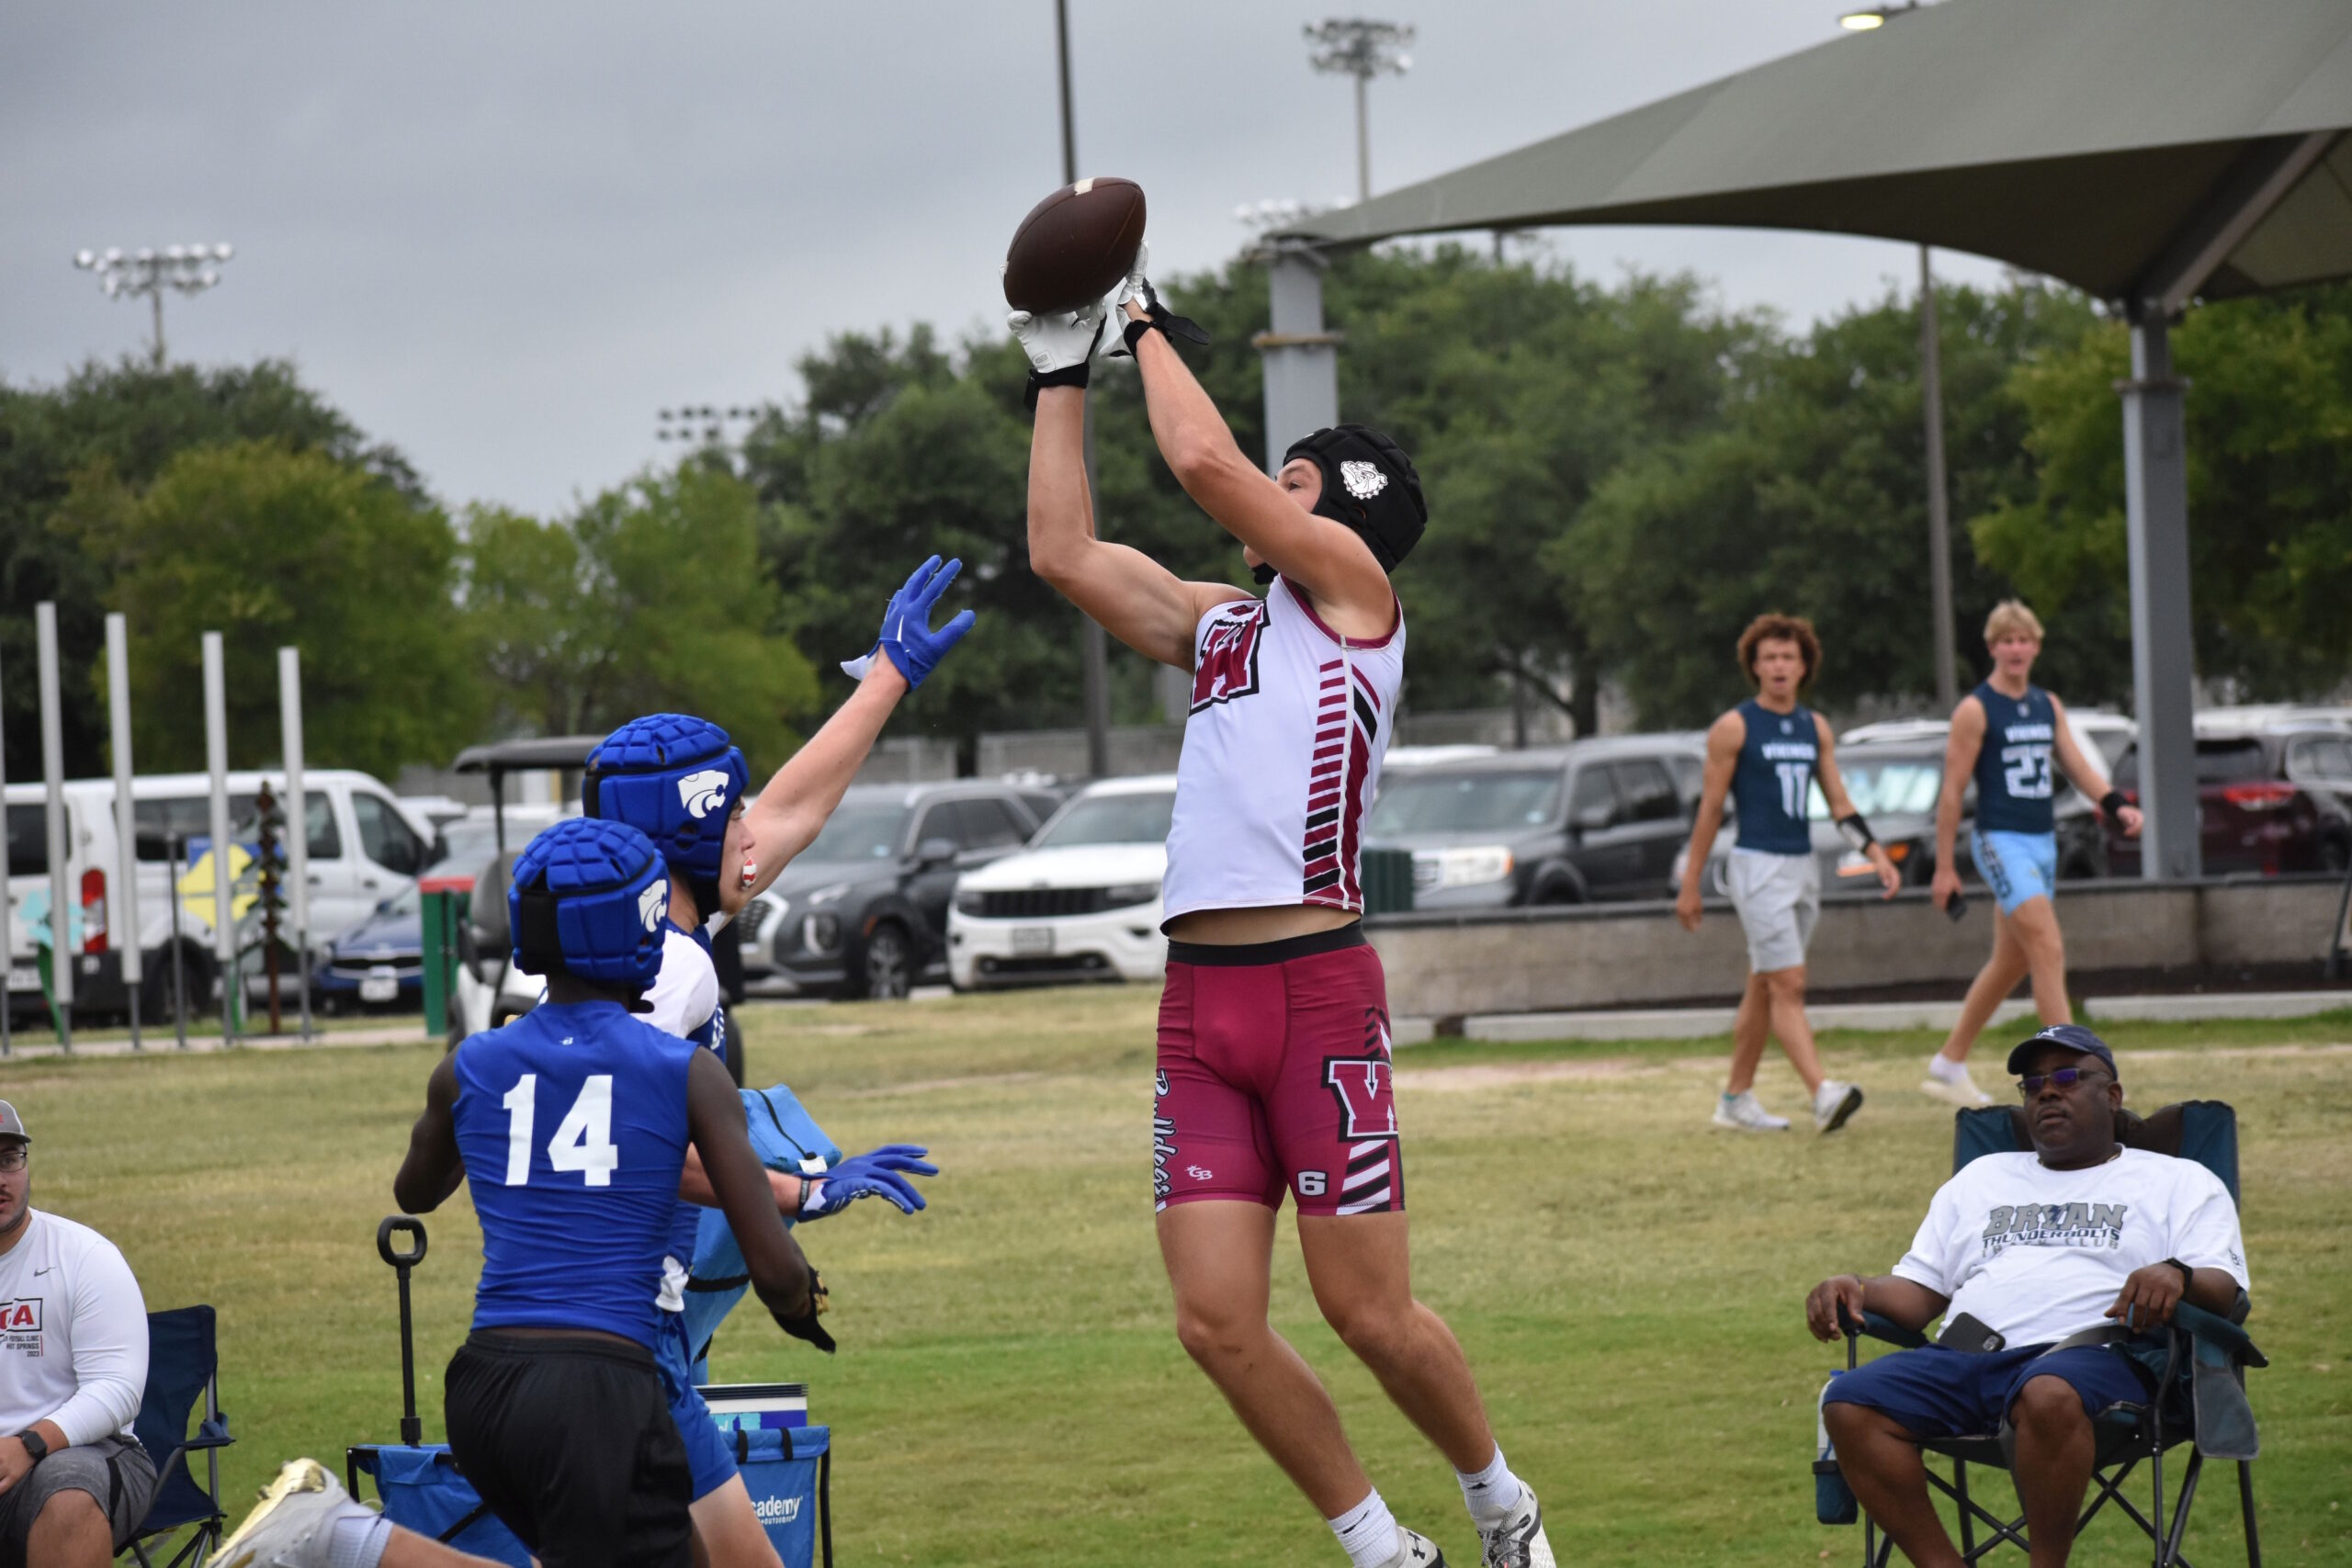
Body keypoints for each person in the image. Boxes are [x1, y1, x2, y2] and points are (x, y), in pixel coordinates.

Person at [1014, 255, 1552, 1568]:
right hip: (1200, 1004)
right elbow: (1062, 551)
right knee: (1215, 1320)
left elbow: (1203, 462)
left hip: (1316, 988)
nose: (1261, 491)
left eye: (1291, 479)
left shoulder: (1361, 597)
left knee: (1369, 1311)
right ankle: (1382, 1545)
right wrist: (1056, 368)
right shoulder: (1224, 624)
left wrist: (1138, 318)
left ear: (1344, 510)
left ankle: (1499, 1498)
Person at [218, 818, 828, 1568]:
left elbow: (417, 1187)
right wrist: (807, 1306)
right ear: (640, 928)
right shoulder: (685, 1069)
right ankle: (340, 1535)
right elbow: (773, 1267)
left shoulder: (472, 1061)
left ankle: (340, 1536)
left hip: (486, 1387)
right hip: (601, 1388)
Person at [586, 668, 956, 1566]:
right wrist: (805, 1191)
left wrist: (888, 680)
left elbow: (796, 810)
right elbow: (622, 1146)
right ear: (688, 837)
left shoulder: (614, 938)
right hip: (622, 1325)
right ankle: (351, 1541)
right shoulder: (667, 972)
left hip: (561, 1321)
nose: (752, 830)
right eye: (730, 815)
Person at [1805, 1023, 2248, 1568]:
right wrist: (1857, 1286)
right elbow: (1919, 1294)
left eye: (2067, 1076)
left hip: (2099, 1362)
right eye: (2032, 1083)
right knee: (1849, 1402)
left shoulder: (2180, 1180)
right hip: (1970, 1359)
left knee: (2046, 1392)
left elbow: (2224, 1293)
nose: (2047, 1091)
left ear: (2112, 1096)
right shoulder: (1982, 1177)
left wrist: (2177, 1273)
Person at [1675, 615, 1898, 1133]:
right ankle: (1823, 1093)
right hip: (1757, 866)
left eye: (1788, 657)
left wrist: (1876, 851)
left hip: (1802, 867)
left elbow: (1839, 803)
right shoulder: (1735, 726)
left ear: (1804, 666)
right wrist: (1691, 884)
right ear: (1754, 665)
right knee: (1790, 983)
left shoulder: (1813, 726)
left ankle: (1735, 1099)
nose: (1778, 666)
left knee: (1766, 983)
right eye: (1769, 657)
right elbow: (1710, 810)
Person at [1923, 603, 2143, 1108]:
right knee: (2047, 945)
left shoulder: (2047, 704)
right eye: (2007, 640)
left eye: (2024, 639)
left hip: (2042, 841)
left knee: (2011, 960)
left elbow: (2077, 765)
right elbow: (1953, 791)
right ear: (1992, 647)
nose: (2016, 648)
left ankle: (1949, 1062)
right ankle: (2070, 1071)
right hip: (2000, 840)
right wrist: (1944, 865)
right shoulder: (1976, 709)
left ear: (2036, 646)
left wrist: (2116, 805)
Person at [0, 1100, 157, 1568]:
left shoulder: (84, 1256)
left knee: (68, 1494)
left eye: (9, 1160)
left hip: (76, 1452)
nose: (1, 1179)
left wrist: (28, 1445)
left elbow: (118, 1389)